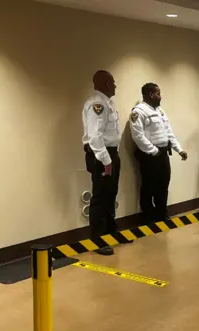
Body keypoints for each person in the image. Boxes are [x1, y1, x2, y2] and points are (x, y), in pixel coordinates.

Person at [82, 70, 130, 256]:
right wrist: (106, 161)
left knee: (111, 194)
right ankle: (98, 240)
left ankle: (111, 232)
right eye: (112, 82)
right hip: (100, 154)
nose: (115, 85)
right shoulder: (97, 104)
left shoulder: (108, 103)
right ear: (103, 83)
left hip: (110, 152)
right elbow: (95, 136)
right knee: (100, 197)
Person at [130, 83, 187, 222]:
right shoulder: (139, 111)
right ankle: (149, 216)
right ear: (150, 95)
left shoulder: (160, 111)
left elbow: (168, 133)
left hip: (162, 153)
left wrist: (179, 149)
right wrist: (153, 151)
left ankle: (162, 214)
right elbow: (138, 136)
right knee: (149, 186)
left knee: (163, 184)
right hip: (149, 155)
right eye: (158, 94)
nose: (160, 97)